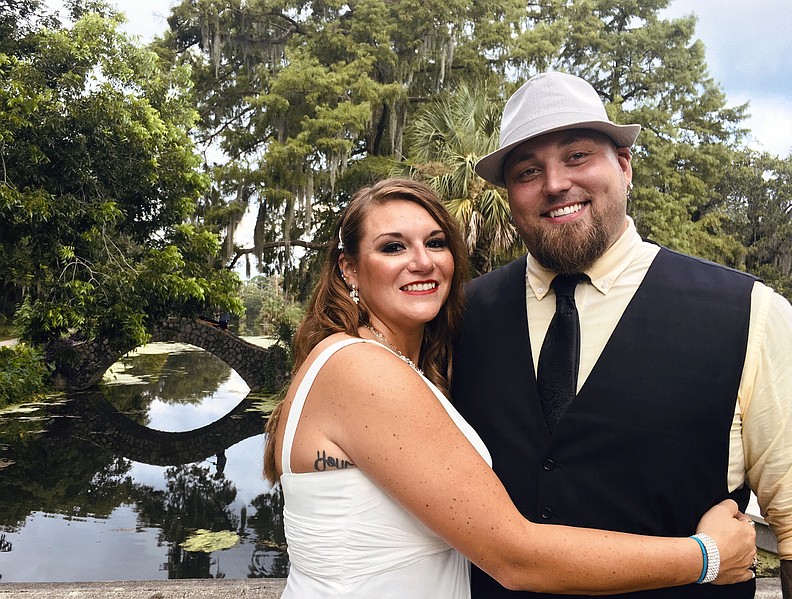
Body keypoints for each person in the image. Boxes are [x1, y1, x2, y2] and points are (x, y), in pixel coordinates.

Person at [263, 178, 756, 598]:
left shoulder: (397, 366)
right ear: (349, 268)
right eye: (392, 247)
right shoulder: (361, 371)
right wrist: (705, 557)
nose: (422, 262)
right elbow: (513, 556)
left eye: (436, 243)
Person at [454, 71, 792, 598]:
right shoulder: (461, 317)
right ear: (509, 195)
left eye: (577, 156)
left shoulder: (751, 314)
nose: (554, 184)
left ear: (624, 164)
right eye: (527, 170)